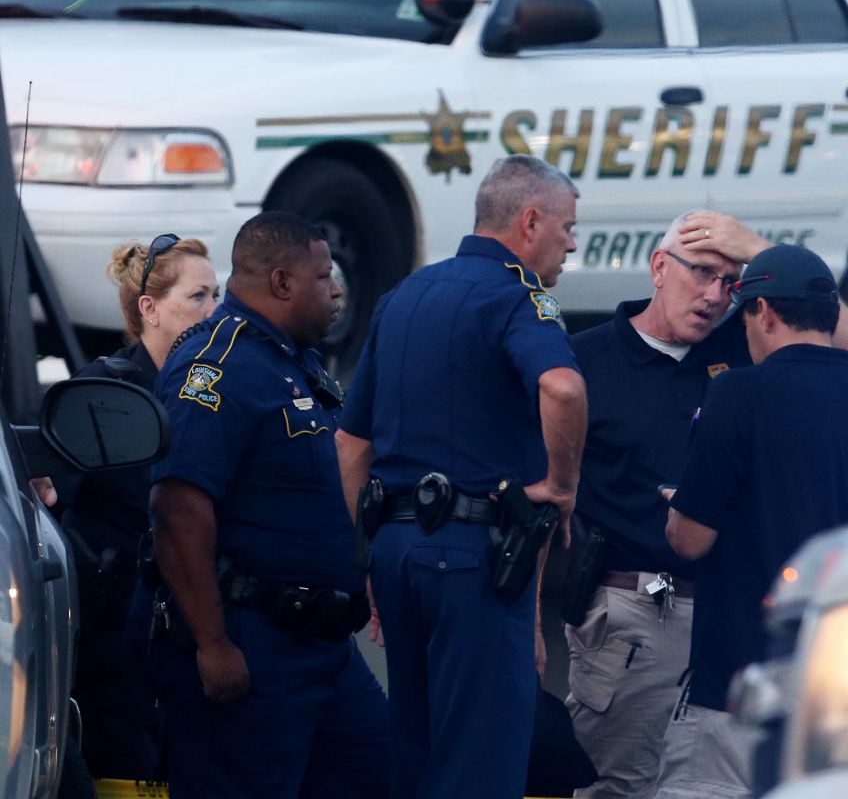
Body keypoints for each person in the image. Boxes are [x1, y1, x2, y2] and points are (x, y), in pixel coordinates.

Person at [335, 154, 588, 799]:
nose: (571, 245)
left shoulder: (404, 294)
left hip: (396, 552)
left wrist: (369, 555)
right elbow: (562, 387)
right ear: (530, 222)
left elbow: (350, 442)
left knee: (416, 750)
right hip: (474, 559)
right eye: (567, 229)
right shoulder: (520, 295)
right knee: (480, 759)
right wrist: (562, 488)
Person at [148, 211, 389, 799]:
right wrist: (213, 644)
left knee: (383, 774)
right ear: (281, 282)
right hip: (254, 646)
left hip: (325, 648)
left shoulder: (290, 358)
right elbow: (177, 506)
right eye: (323, 276)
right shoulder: (218, 363)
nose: (337, 290)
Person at [563, 210, 769, 799]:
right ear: (659, 267)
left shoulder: (745, 346)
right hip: (631, 617)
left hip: (731, 618)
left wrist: (759, 250)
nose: (713, 296)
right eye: (701, 273)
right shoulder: (584, 362)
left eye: (731, 284)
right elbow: (539, 498)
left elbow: (834, 333)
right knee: (618, 789)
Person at [652, 243, 848, 798]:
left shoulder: (737, 392)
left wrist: (677, 503)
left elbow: (688, 540)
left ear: (762, 312)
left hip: (743, 683)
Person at [61, 233, 219, 780]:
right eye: (198, 297)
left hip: (200, 623)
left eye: (217, 296)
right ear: (149, 310)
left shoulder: (215, 390)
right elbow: (52, 505)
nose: (214, 311)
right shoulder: (101, 393)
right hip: (121, 638)